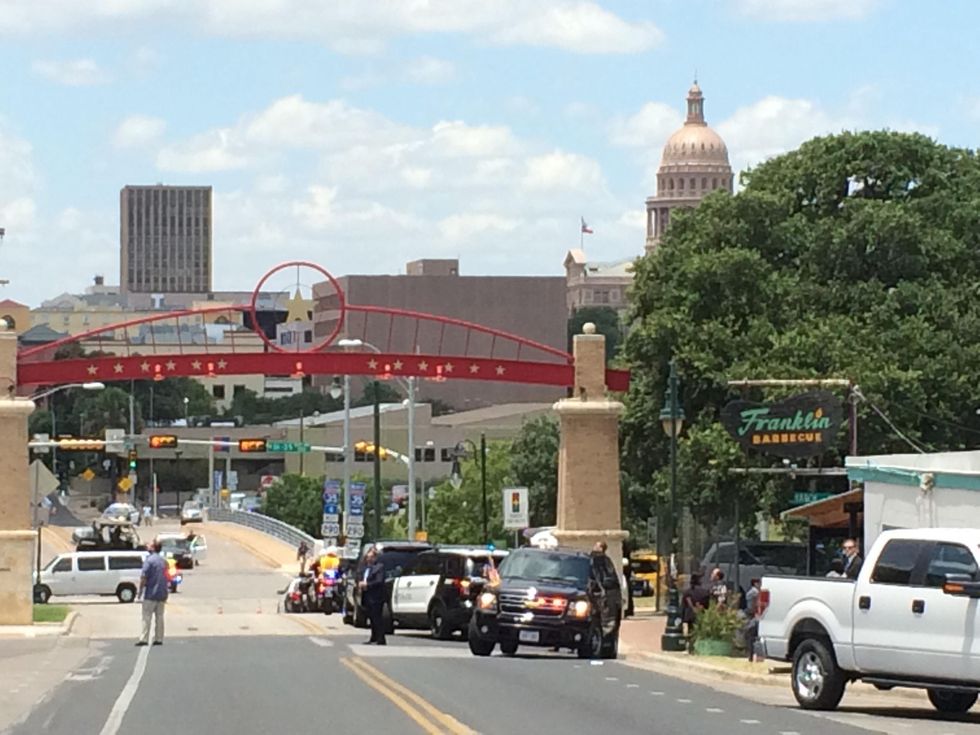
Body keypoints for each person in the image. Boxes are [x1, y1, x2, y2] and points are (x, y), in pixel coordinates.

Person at [136, 539, 168, 647]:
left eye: (150, 545)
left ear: (153, 548)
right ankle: (159, 638)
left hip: (150, 593)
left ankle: (144, 638)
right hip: (162, 593)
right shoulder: (164, 561)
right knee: (160, 617)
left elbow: (143, 577)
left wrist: (140, 592)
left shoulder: (149, 561)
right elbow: (167, 577)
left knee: (146, 617)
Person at [359, 547, 387, 645]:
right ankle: (373, 637)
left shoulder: (379, 567)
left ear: (375, 557)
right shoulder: (366, 568)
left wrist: (367, 584)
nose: (368, 559)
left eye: (370, 557)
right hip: (367, 595)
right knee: (371, 618)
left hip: (376, 597)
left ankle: (381, 638)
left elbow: (379, 581)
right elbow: (362, 577)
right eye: (367, 557)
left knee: (377, 618)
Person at [742, 578, 762, 661]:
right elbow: (755, 605)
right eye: (759, 583)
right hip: (754, 615)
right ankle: (754, 655)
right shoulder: (755, 592)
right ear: (755, 583)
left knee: (750, 635)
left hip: (752, 615)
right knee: (753, 635)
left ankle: (750, 655)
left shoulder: (752, 592)